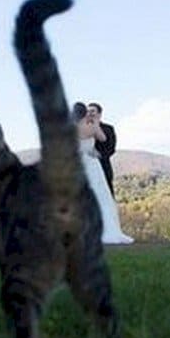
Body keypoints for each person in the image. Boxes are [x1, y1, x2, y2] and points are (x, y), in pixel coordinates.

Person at [73, 102, 133, 245]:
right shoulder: (92, 127)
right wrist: (94, 126)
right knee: (102, 198)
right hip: (91, 163)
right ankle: (105, 229)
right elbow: (103, 139)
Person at [87, 103, 116, 197]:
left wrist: (99, 155)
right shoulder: (83, 128)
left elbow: (111, 148)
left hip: (103, 166)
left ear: (99, 113)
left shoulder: (108, 128)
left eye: (92, 111)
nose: (89, 113)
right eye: (88, 111)